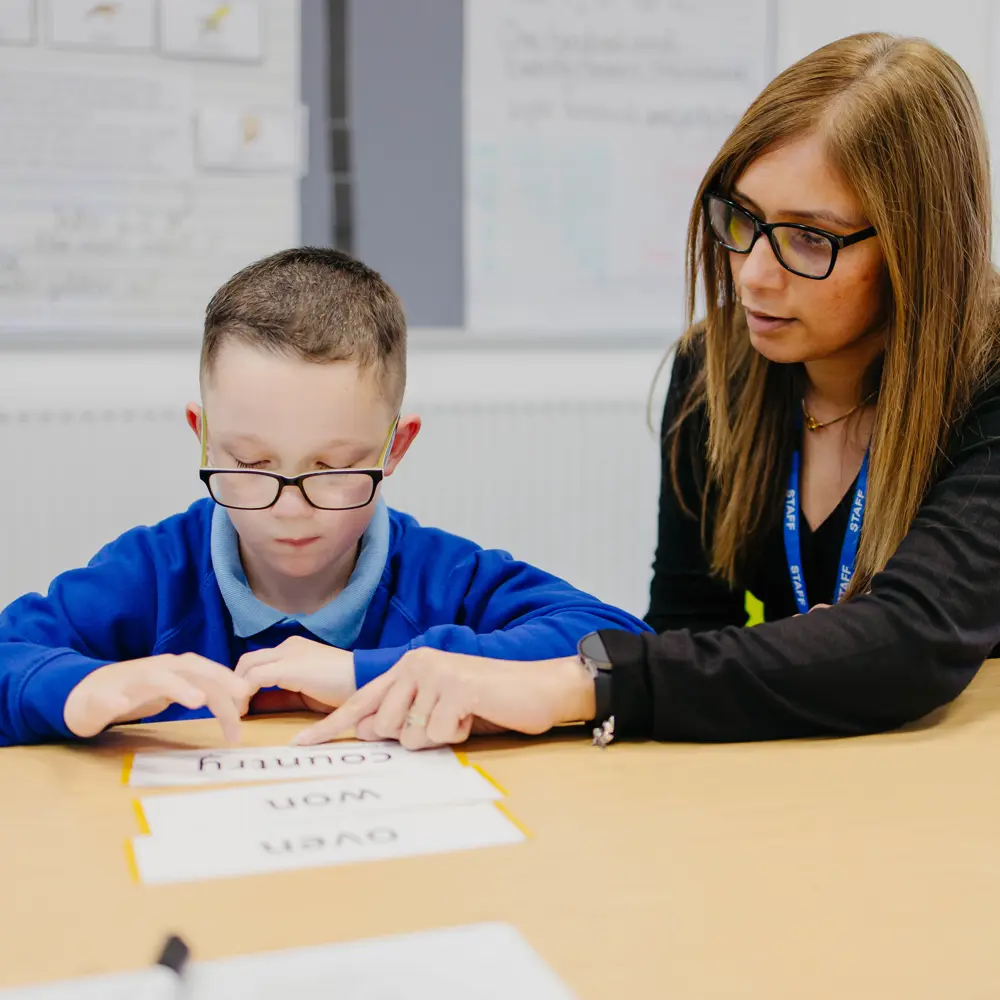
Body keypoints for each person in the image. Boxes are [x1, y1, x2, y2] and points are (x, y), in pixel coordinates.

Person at [291, 32, 1000, 751]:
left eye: (811, 239)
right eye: (743, 219)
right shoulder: (713, 372)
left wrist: (578, 684)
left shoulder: (988, 380)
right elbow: (691, 628)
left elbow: (910, 640)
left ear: (919, 248)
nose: (753, 274)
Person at [0, 249, 650, 747]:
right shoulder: (152, 573)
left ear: (394, 449)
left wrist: (372, 672)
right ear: (204, 439)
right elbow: (12, 656)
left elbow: (623, 645)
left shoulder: (443, 577)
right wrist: (78, 688)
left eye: (334, 467)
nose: (290, 508)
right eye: (250, 463)